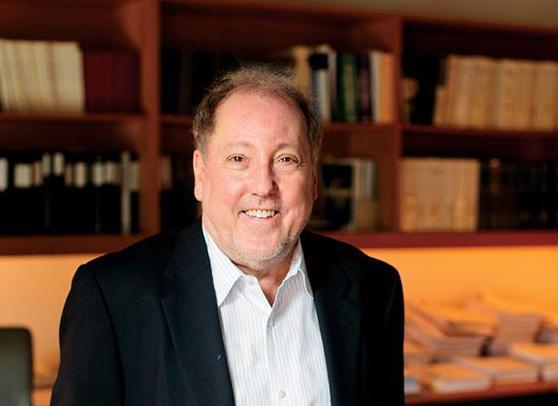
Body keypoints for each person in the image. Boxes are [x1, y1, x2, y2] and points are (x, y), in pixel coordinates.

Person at [51, 66, 404, 406]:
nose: (264, 185)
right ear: (200, 174)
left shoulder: (374, 288)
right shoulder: (112, 298)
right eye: (238, 158)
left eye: (286, 159)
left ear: (312, 180)